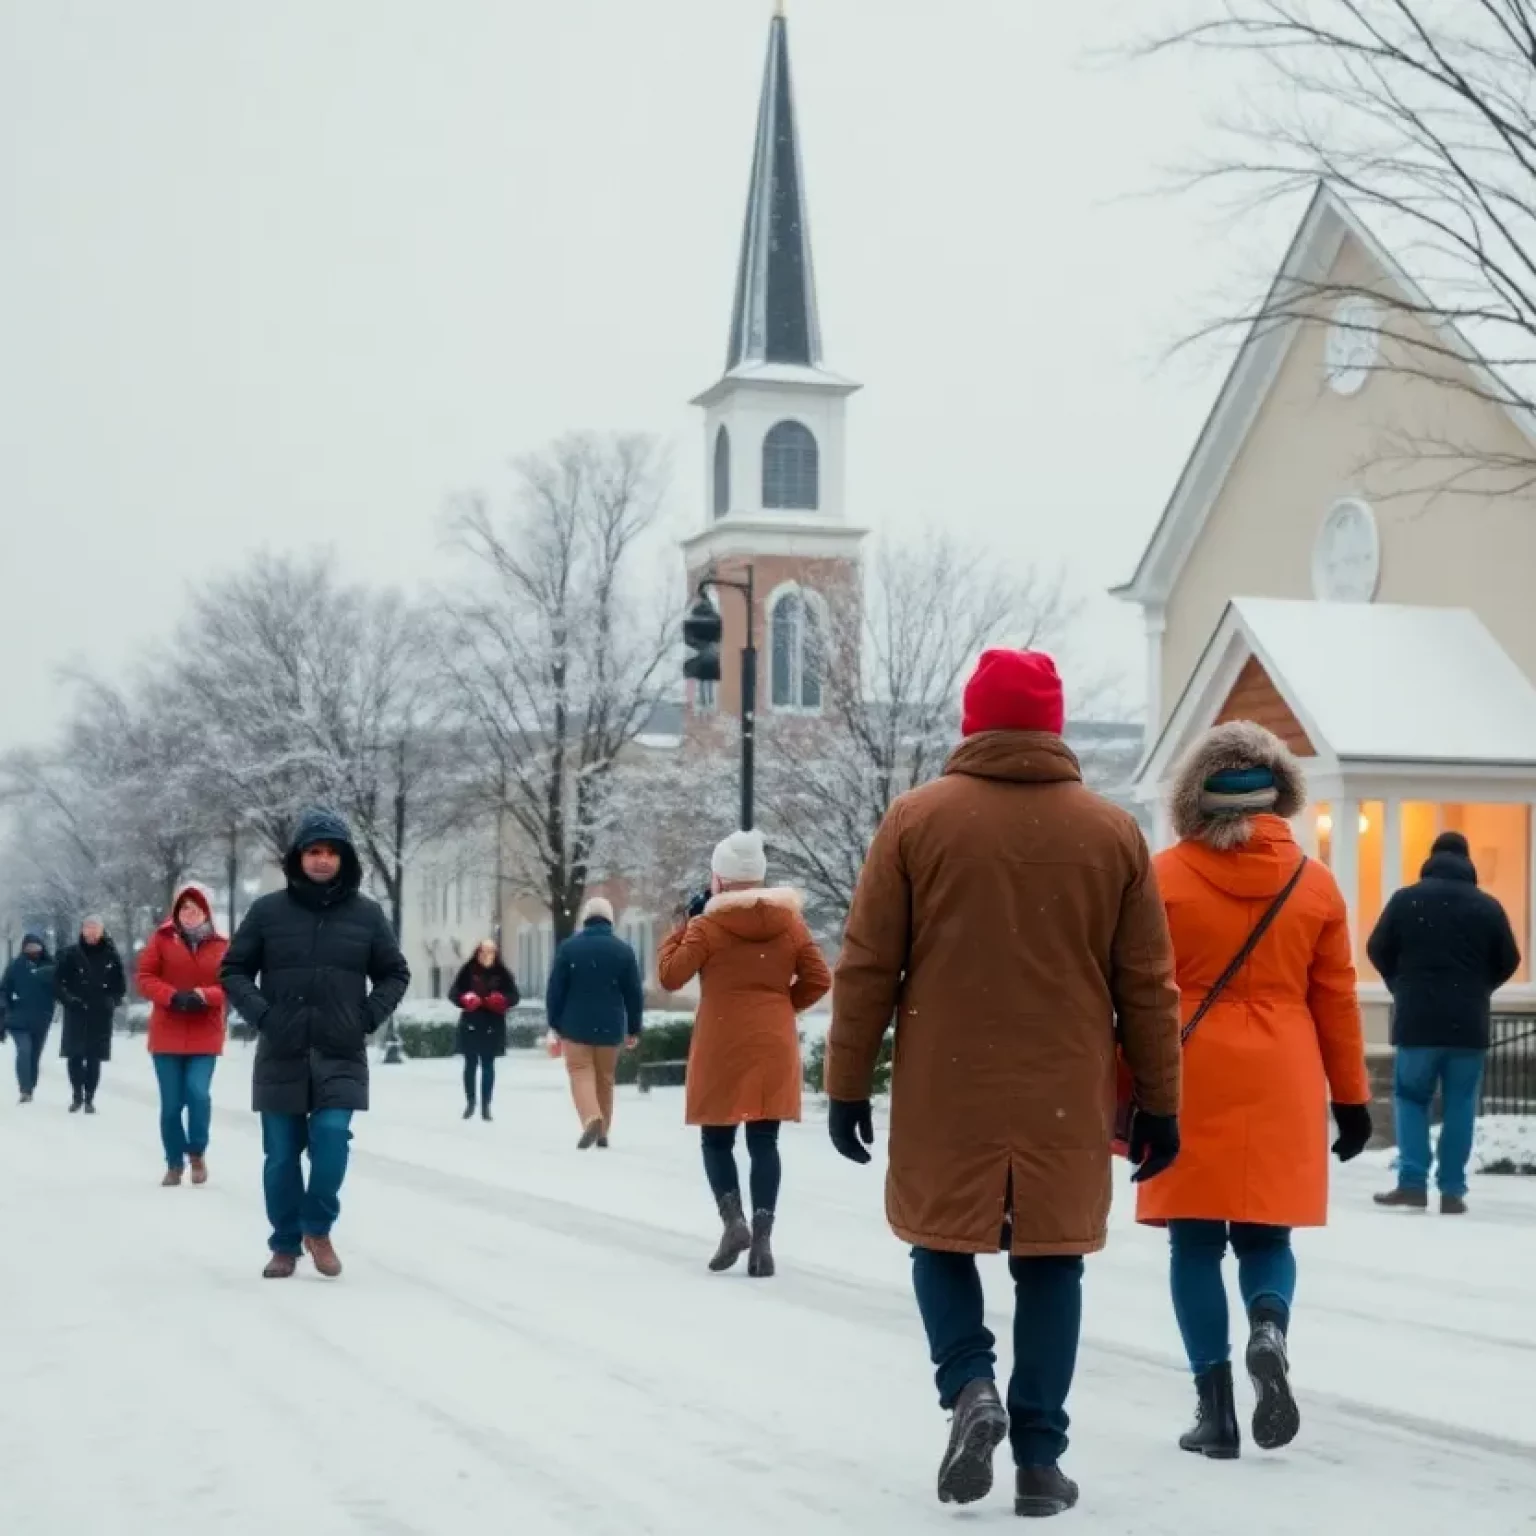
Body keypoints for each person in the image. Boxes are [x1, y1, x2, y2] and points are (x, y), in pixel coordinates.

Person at [825, 649, 1182, 1519]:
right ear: (1054, 724)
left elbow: (869, 965)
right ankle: (1038, 1460)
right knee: (1052, 1265)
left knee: (939, 1242)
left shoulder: (915, 821)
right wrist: (1162, 1105)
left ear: (972, 721)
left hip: (949, 1082)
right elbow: (1148, 984)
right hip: (1066, 1082)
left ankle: (969, 1384)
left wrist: (844, 1085)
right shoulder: (1113, 834)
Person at [1138, 721, 1372, 1462]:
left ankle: (1216, 1410)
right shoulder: (1316, 884)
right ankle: (1268, 1324)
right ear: (1279, 797)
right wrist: (1353, 1098)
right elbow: (1337, 997)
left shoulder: (1164, 877)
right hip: (1286, 1071)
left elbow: (1140, 992)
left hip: (1191, 1071)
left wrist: (1126, 1087)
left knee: (1194, 1242)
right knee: (1268, 1234)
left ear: (1195, 800)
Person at [221, 808, 410, 1279]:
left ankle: (318, 1227)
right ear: (298, 857)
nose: (323, 860)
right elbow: (234, 969)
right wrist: (263, 1014)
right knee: (282, 1154)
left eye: (331, 852)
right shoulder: (267, 912)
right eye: (314, 851)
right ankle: (284, 1244)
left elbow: (394, 972)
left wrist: (365, 1016)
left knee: (331, 1141)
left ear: (344, 859)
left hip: (340, 1051)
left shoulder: (367, 915)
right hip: (280, 1050)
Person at [658, 828, 831, 1279]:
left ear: (720, 878)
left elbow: (671, 976)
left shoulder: (708, 926)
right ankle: (764, 1239)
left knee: (716, 1139)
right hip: (772, 1042)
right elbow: (819, 978)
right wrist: (779, 1008)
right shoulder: (790, 924)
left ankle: (733, 1222)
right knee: (764, 1140)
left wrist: (681, 929)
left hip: (721, 1039)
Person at [1368, 830, 1521, 1215]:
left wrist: (1399, 985)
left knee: (1411, 1098)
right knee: (1460, 1105)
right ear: (1467, 862)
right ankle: (1452, 1190)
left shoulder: (1406, 901)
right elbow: (1510, 959)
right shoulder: (1487, 907)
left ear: (1431, 859)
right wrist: (1480, 988)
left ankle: (1413, 1183)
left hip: (1417, 1021)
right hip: (1467, 1026)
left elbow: (1377, 948)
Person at [136, 885, 229, 1184]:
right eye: (185, 908)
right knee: (172, 1104)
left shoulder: (221, 944)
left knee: (198, 1094)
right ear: (176, 912)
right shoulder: (162, 939)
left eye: (196, 909)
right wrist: (171, 996)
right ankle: (174, 1162)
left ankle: (197, 1152)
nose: (190, 914)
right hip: (168, 1032)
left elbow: (231, 982)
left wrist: (205, 995)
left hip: (205, 1032)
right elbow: (145, 977)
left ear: (206, 912)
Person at [545, 897, 643, 1149]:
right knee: (605, 1078)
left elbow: (555, 990)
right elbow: (633, 993)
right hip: (611, 1025)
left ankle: (591, 1117)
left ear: (585, 919)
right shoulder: (623, 950)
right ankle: (603, 1132)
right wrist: (633, 1028)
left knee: (580, 1073)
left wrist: (554, 1023)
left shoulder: (569, 949)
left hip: (575, 1024)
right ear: (609, 919)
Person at [54, 915, 127, 1113]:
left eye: (95, 928)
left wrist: (111, 1001)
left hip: (100, 1013)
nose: (92, 932)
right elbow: (58, 983)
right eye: (88, 927)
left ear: (102, 931)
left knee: (94, 1057)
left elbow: (119, 985)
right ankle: (77, 1094)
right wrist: (69, 1000)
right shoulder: (70, 954)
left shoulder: (111, 955)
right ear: (82, 930)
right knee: (75, 1055)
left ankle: (90, 1098)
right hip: (76, 1011)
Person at [449, 938, 519, 1121]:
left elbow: (514, 995)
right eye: (483, 952)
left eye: (490, 953)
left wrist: (502, 1000)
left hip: (493, 1023)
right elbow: (454, 993)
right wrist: (464, 999)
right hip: (471, 1022)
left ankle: (486, 1105)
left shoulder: (502, 973)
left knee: (488, 1065)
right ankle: (471, 1102)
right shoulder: (468, 971)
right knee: (470, 1064)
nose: (486, 956)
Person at [1, 933, 57, 1103]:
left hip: (42, 1018)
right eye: (29, 947)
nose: (33, 950)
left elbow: (60, 988)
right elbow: (3, 989)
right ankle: (25, 1089)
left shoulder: (51, 966)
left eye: (36, 947)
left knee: (35, 1055)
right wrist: (6, 1005)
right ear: (24, 948)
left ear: (42, 948)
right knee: (24, 1051)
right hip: (18, 1019)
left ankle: (30, 1086)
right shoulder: (16, 966)